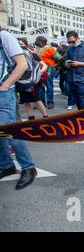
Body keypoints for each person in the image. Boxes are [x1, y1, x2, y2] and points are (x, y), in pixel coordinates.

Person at [0, 29, 37, 190]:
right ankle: (6, 165)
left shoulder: (4, 36)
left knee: (9, 130)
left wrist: (6, 85)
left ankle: (28, 167)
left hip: (3, 92)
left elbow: (21, 64)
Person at [17, 38, 48, 120]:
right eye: (18, 43)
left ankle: (45, 117)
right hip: (20, 80)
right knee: (26, 101)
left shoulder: (32, 54)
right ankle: (31, 117)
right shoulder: (17, 55)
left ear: (26, 44)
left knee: (37, 99)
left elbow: (45, 65)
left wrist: (39, 73)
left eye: (22, 43)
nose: (20, 45)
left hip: (32, 81)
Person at [34, 36, 64, 109]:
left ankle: (50, 102)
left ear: (40, 41)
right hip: (40, 71)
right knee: (40, 87)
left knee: (49, 86)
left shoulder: (50, 49)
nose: (35, 41)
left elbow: (60, 58)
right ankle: (42, 103)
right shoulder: (37, 49)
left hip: (48, 71)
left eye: (36, 40)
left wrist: (55, 65)